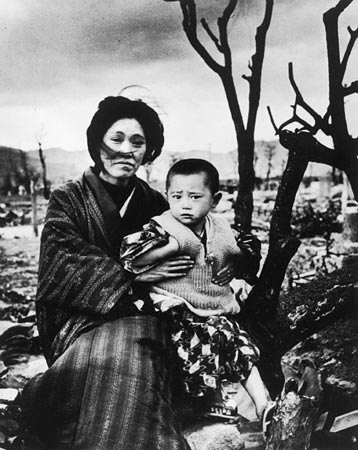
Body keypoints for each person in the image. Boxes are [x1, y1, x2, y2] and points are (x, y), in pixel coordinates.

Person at [21, 96, 195, 450]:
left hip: (143, 316)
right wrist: (135, 276)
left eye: (137, 142)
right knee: (115, 355)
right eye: (116, 139)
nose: (125, 150)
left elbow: (189, 251)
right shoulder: (68, 200)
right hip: (78, 320)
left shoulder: (157, 205)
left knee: (133, 351)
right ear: (97, 141)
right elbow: (63, 263)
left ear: (148, 151)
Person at [120, 158, 273, 425]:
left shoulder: (221, 227)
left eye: (195, 196)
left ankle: (264, 406)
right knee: (198, 341)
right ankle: (208, 401)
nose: (185, 204)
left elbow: (245, 251)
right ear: (167, 196)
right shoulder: (163, 226)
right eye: (177, 196)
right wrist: (170, 247)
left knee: (238, 342)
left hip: (211, 302)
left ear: (214, 200)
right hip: (173, 302)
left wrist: (237, 267)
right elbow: (130, 258)